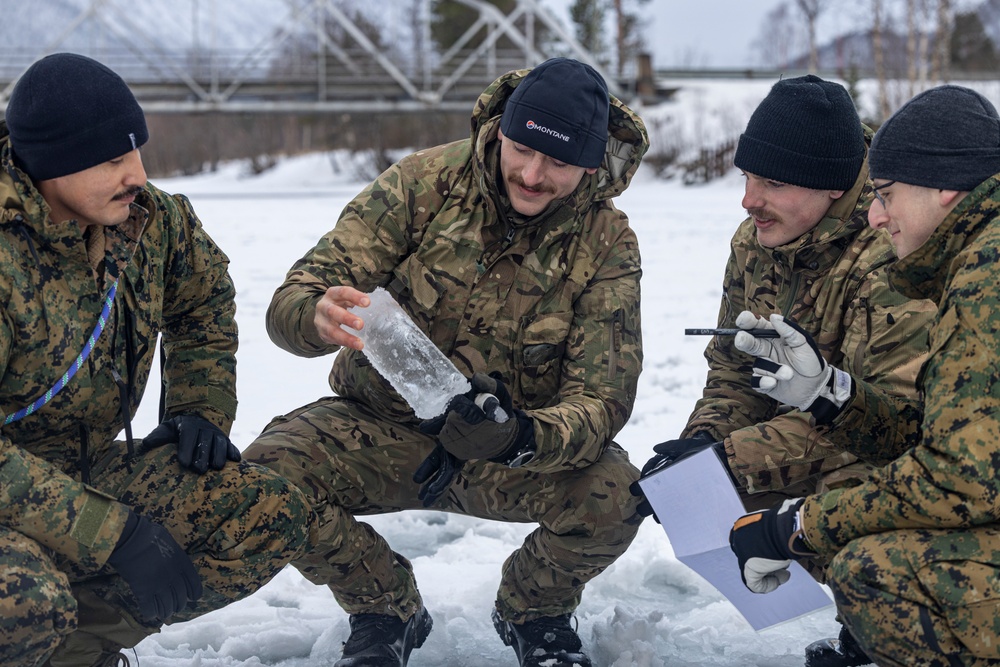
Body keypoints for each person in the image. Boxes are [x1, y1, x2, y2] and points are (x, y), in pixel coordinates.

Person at [243, 57, 647, 667]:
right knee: (266, 476)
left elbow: (604, 398)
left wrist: (519, 436)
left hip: (509, 453)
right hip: (382, 430)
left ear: (590, 163)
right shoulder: (422, 183)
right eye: (522, 149)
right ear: (502, 131)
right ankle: (385, 608)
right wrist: (315, 314)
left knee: (617, 494)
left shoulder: (607, 240)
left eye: (559, 162)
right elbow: (294, 299)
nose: (533, 175)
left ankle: (534, 611)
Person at [0, 53, 313, 667]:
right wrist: (109, 533)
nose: (137, 173)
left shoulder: (150, 221)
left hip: (85, 466)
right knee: (24, 603)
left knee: (263, 514)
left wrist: (200, 403)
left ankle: (76, 654)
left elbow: (203, 298)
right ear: (51, 164)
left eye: (136, 150)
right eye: (113, 159)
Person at [632, 74, 935, 667]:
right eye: (747, 176)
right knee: (698, 486)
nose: (748, 199)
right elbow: (731, 370)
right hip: (791, 439)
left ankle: (881, 635)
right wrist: (701, 442)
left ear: (831, 186)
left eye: (771, 182)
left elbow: (893, 426)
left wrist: (726, 460)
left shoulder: (893, 252)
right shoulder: (756, 241)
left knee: (849, 496)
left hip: (886, 454)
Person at [729, 84, 1000, 667]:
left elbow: (958, 481)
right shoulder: (975, 255)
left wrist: (797, 528)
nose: (876, 215)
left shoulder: (987, 279)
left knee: (873, 571)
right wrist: (829, 395)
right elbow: (956, 445)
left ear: (945, 188)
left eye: (885, 195)